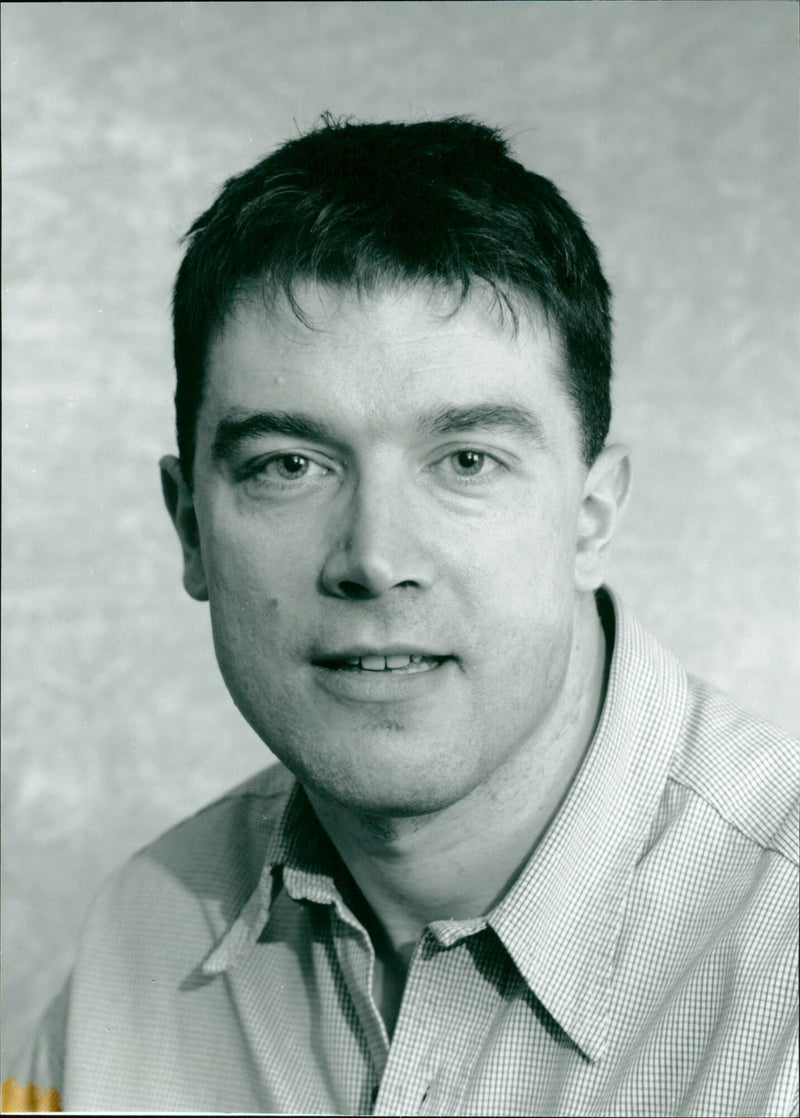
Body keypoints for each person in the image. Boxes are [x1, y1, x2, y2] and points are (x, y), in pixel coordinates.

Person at [5, 116, 797, 1116]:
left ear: (590, 516)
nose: (374, 557)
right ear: (190, 529)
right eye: (288, 465)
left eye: (465, 460)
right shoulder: (139, 942)